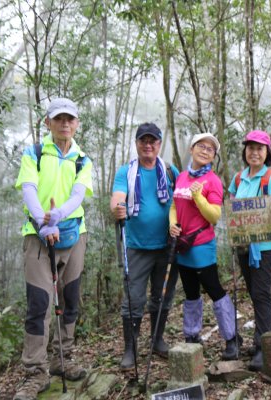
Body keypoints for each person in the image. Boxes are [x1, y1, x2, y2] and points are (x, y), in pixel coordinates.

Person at [14, 98, 93, 400]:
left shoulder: (82, 159)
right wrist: (41, 219)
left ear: (76, 123)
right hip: (38, 236)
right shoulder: (34, 153)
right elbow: (29, 188)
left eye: (69, 119)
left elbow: (78, 195)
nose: (64, 124)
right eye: (58, 119)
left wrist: (59, 214)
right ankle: (35, 371)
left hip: (74, 235)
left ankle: (64, 358)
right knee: (39, 303)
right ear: (47, 122)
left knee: (70, 298)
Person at [110, 123, 180, 371]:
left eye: (153, 141)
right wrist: (118, 207)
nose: (148, 145)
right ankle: (130, 349)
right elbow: (118, 198)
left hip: (167, 246)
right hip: (137, 246)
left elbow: (181, 200)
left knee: (162, 296)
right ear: (137, 143)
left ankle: (157, 339)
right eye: (143, 141)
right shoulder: (126, 172)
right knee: (133, 298)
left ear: (159, 144)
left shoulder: (170, 171)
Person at [169, 132, 240, 360]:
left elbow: (214, 216)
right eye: (201, 146)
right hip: (183, 245)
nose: (205, 150)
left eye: (210, 149)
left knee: (214, 290)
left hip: (201, 245)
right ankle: (191, 336)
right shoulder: (181, 177)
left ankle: (232, 338)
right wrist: (173, 224)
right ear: (192, 149)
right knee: (190, 293)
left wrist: (199, 198)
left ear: (213, 157)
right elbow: (174, 205)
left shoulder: (213, 181)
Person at [227, 130, 271, 371]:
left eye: (260, 148)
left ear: (267, 152)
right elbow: (230, 208)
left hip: (265, 247)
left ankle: (264, 347)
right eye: (250, 148)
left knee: (261, 294)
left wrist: (251, 219)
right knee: (254, 293)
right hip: (243, 246)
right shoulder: (239, 178)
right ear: (245, 151)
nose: (254, 152)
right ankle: (260, 338)